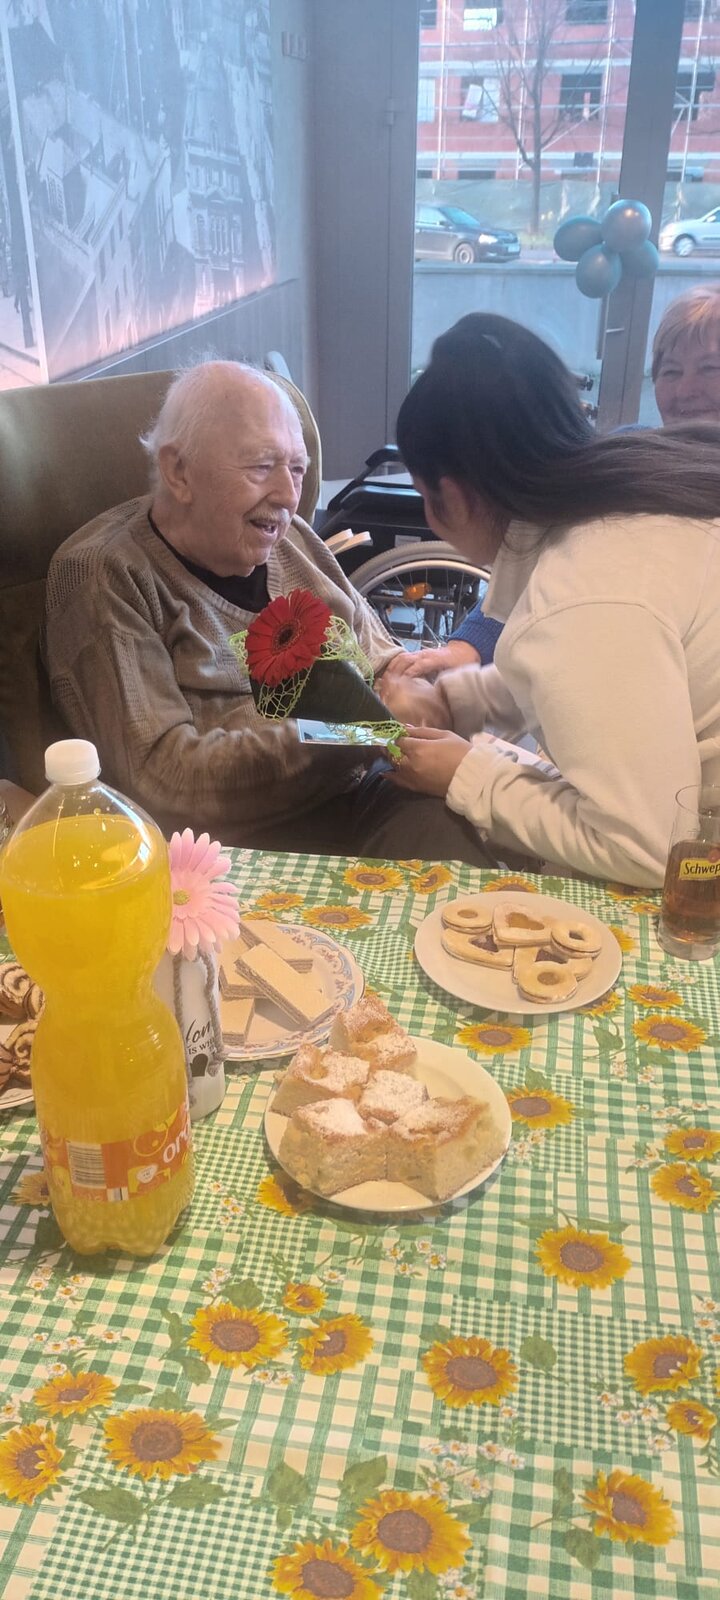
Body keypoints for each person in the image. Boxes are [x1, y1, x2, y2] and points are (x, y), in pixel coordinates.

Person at [44, 361, 493, 865]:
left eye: (297, 469)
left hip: (368, 794)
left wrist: (414, 688)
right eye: (261, 466)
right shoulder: (106, 576)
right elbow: (163, 778)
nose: (288, 496)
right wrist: (361, 730)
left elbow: (382, 658)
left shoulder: (290, 538)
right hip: (244, 851)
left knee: (459, 856)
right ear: (179, 472)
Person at [381, 313, 720, 888]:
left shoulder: (583, 589)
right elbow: (600, 684)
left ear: (453, 497)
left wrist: (466, 775)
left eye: (424, 498)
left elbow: (646, 846)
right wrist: (453, 700)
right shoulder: (631, 486)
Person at [398, 282, 720, 683]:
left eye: (710, 368)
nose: (687, 389)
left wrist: (462, 722)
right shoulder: (626, 457)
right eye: (671, 371)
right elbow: (529, 559)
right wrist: (466, 660)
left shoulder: (591, 583)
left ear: (455, 495)